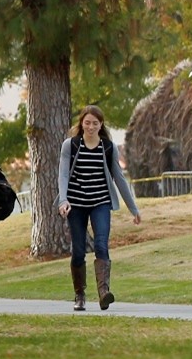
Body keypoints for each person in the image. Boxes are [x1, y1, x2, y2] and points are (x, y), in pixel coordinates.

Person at [57, 105, 142, 311]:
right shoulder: (71, 145)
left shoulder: (108, 147)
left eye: (95, 123)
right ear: (81, 124)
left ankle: (104, 293)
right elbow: (63, 175)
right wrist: (63, 200)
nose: (91, 127)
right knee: (78, 251)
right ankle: (79, 295)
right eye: (87, 123)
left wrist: (134, 208)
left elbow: (119, 179)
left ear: (101, 125)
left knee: (101, 245)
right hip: (76, 204)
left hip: (100, 203)